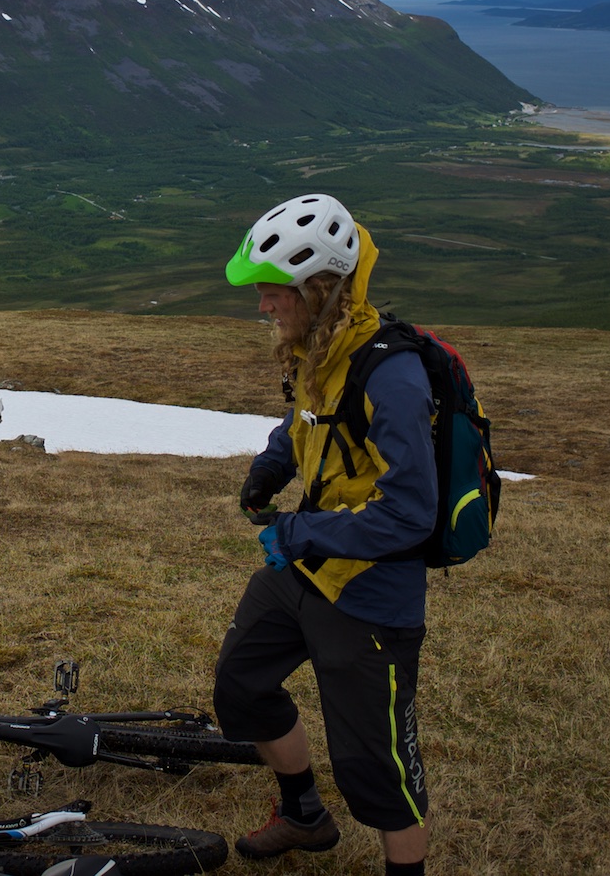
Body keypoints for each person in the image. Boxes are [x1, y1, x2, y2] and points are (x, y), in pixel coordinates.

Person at [212, 193, 439, 873]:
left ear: (317, 287)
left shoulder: (391, 373)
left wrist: (301, 531)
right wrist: (270, 466)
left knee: (378, 769)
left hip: (372, 595)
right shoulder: (322, 346)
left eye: (272, 293)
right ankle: (305, 813)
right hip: (305, 571)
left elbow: (411, 513)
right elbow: (309, 422)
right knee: (242, 685)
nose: (262, 307)